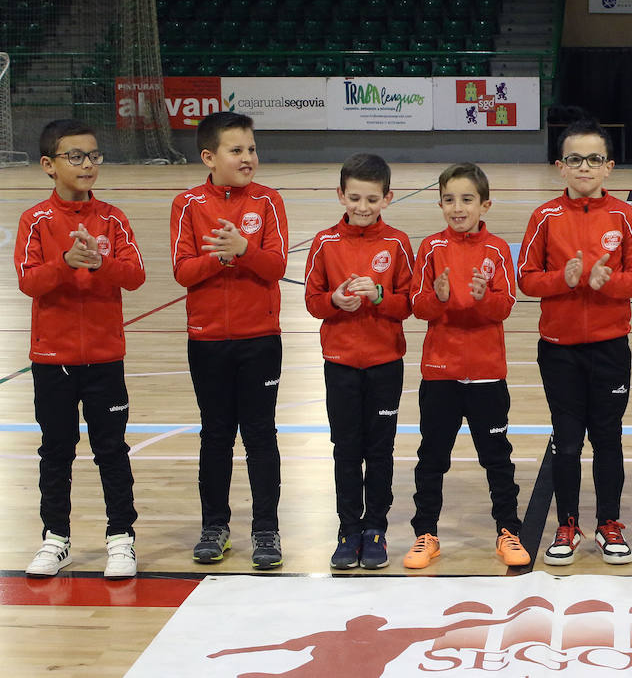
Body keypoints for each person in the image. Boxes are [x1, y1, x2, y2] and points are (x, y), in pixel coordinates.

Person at [517, 118, 632, 566]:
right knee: (568, 441)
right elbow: (526, 279)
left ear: (608, 167)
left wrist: (605, 282)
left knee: (608, 439)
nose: (584, 167)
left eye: (594, 159)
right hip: (559, 348)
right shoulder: (545, 217)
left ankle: (609, 523)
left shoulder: (625, 216)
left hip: (611, 346)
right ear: (560, 167)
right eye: (575, 159)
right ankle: (568, 523)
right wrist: (563, 279)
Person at [17, 119, 145, 579]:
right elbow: (29, 281)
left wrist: (101, 263)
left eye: (93, 155)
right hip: (52, 360)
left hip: (105, 359)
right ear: (49, 165)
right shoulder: (35, 220)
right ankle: (56, 538)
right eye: (76, 156)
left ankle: (121, 538)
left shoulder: (113, 218)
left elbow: (135, 276)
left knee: (111, 449)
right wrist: (64, 263)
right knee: (56, 450)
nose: (87, 164)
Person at [171, 111, 288, 570]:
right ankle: (214, 526)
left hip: (260, 339)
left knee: (261, 436)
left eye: (251, 149)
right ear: (208, 156)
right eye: (236, 150)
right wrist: (219, 261)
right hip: (207, 341)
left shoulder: (268, 201)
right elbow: (182, 271)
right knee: (215, 435)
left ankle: (266, 530)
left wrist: (244, 250)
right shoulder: (187, 204)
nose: (248, 158)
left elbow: (276, 267)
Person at [405, 162, 530, 570]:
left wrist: (481, 297)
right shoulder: (430, 248)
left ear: (485, 204)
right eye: (448, 200)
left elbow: (505, 307)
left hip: (487, 374)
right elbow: (417, 307)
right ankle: (426, 534)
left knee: (496, 456)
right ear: (439, 203)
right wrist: (439, 297)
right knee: (432, 457)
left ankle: (508, 531)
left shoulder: (497, 250)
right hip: (439, 373)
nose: (457, 208)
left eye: (466, 199)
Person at [303, 153, 414, 571]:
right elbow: (313, 302)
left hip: (385, 362)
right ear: (341, 195)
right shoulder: (325, 242)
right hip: (341, 363)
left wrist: (381, 296)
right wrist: (335, 301)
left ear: (387, 198)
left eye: (372, 199)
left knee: (380, 449)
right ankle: (348, 530)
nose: (362, 207)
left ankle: (376, 530)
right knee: (346, 449)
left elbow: (410, 304)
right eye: (354, 198)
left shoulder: (398, 243)